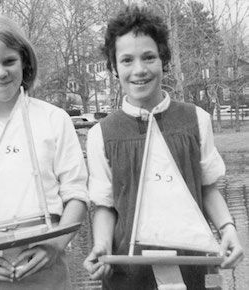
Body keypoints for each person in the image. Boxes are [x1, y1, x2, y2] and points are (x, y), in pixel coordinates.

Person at [83, 5, 244, 290]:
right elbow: (105, 206)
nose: (139, 70)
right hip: (130, 276)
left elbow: (208, 187)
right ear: (114, 67)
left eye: (149, 57)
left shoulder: (196, 120)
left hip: (194, 267)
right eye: (127, 60)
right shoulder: (100, 135)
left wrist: (227, 228)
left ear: (163, 60)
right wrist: (101, 247)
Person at [0, 14, 88, 289]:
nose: (0, 72)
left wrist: (55, 245)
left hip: (48, 267)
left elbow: (76, 194)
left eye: (9, 61)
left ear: (24, 61)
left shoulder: (54, 120)